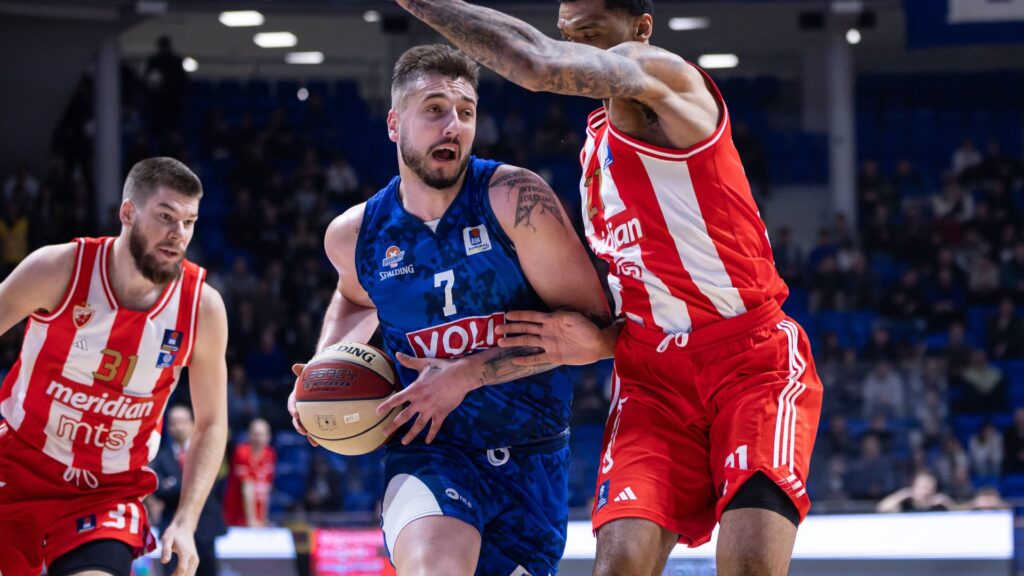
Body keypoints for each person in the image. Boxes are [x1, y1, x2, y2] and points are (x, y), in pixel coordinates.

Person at [394, 2, 824, 575]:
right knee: (617, 566)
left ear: (641, 30)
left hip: (747, 360)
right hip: (651, 374)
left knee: (748, 567)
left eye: (591, 34)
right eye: (568, 35)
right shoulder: (596, 142)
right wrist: (599, 340)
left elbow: (539, 63)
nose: (578, 49)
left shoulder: (670, 82)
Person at [287, 44, 609, 576]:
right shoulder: (356, 235)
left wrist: (468, 374)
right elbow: (354, 296)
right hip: (430, 451)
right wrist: (321, 369)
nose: (453, 126)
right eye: (434, 109)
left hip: (534, 455)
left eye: (466, 112)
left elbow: (596, 332)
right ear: (394, 124)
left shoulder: (514, 201)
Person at [0, 157, 228, 576]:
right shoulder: (58, 268)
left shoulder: (202, 308)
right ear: (127, 212)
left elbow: (212, 422)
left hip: (107, 491)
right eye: (165, 217)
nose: (178, 234)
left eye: (189, 222)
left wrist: (186, 520)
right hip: (17, 467)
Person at [151, 405, 228, 576]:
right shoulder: (161, 457)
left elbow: (215, 485)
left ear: (193, 424)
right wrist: (194, 484)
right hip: (171, 531)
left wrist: (174, 484)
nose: (179, 427)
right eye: (174, 423)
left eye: (183, 422)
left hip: (205, 528)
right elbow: (159, 490)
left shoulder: (208, 453)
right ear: (168, 427)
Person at [223, 418, 276, 527]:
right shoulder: (242, 452)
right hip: (237, 518)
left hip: (257, 520)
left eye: (262, 434)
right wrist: (251, 521)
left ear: (268, 436)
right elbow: (247, 487)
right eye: (255, 434)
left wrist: (263, 519)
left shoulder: (270, 455)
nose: (258, 438)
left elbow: (266, 489)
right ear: (249, 435)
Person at [876, 470, 956, 513]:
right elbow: (881, 508)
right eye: (923, 487)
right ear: (914, 486)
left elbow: (959, 516)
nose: (926, 491)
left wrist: (948, 502)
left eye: (930, 488)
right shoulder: (905, 504)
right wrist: (902, 494)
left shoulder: (938, 507)